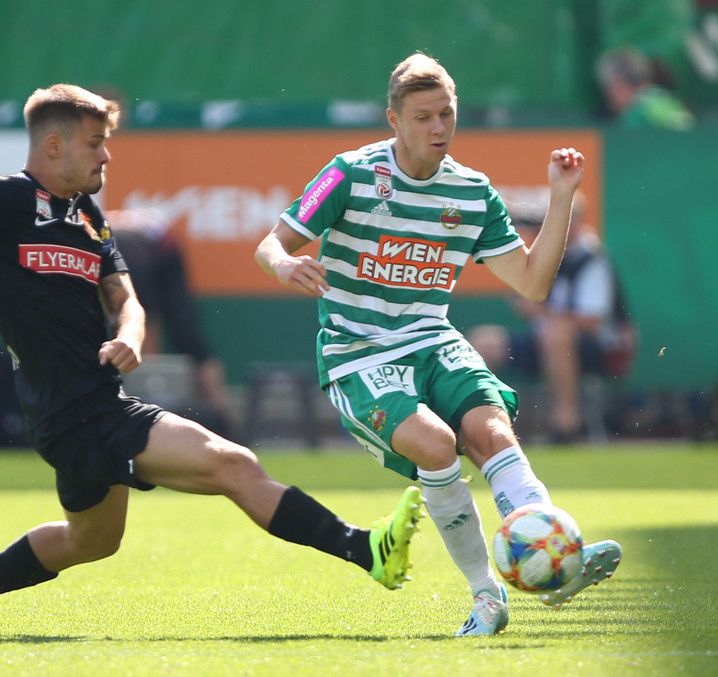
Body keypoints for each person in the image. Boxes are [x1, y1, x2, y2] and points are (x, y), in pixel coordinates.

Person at [0, 84, 425, 638]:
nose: (107, 155)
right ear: (54, 145)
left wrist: (130, 333)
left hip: (89, 405)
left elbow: (125, 298)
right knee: (232, 463)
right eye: (96, 142)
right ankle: (365, 549)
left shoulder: (89, 217)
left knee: (92, 540)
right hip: (73, 410)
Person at [255, 53, 622, 637]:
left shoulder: (472, 191)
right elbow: (271, 243)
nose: (438, 128)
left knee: (491, 432)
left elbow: (532, 282)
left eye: (446, 114)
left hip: (431, 338)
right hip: (358, 351)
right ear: (394, 120)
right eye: (423, 117)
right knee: (435, 445)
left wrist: (560, 197)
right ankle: (486, 596)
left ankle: (555, 562)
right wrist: (283, 265)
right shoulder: (348, 173)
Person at [469, 197, 635, 442]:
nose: (542, 229)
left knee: (556, 335)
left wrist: (539, 311)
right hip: (545, 342)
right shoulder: (544, 256)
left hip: (598, 349)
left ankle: (565, 423)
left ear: (573, 222)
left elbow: (591, 321)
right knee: (484, 341)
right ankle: (481, 422)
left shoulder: (591, 258)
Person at [108, 207, 238, 438]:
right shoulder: (106, 238)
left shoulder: (114, 244)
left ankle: (222, 417)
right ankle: (220, 417)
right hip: (152, 247)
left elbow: (142, 318)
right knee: (177, 338)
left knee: (181, 337)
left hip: (158, 251)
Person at [596, 46, 694, 130]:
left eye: (608, 90)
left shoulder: (636, 117)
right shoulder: (669, 102)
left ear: (618, 83)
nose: (609, 100)